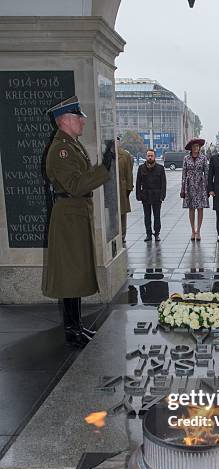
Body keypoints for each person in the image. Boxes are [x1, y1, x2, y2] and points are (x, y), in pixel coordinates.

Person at [44, 96, 114, 348]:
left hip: (75, 215)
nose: (83, 122)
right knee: (69, 275)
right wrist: (103, 168)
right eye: (79, 118)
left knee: (74, 274)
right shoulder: (61, 150)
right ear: (65, 120)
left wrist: (100, 169)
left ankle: (76, 326)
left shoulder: (72, 145)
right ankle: (71, 330)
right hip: (69, 218)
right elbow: (75, 185)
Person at [180, 138, 208, 241]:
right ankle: (193, 231)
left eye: (198, 146)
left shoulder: (203, 158)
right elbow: (184, 173)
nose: (196, 148)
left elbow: (207, 172)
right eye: (194, 146)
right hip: (189, 184)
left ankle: (199, 231)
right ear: (191, 148)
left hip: (201, 185)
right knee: (191, 208)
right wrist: (183, 188)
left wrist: (207, 187)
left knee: (200, 208)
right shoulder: (186, 158)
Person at [136, 149, 166, 242]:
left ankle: (157, 234)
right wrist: (138, 194)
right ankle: (148, 234)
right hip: (146, 195)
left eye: (151, 156)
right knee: (147, 216)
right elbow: (138, 183)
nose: (150, 157)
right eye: (148, 155)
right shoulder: (141, 168)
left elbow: (163, 183)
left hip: (157, 196)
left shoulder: (160, 168)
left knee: (157, 216)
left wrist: (162, 195)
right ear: (146, 156)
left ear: (154, 156)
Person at [117, 136, 134, 244]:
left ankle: (122, 236)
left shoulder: (125, 155)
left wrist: (129, 188)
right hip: (111, 189)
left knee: (122, 213)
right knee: (112, 214)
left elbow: (129, 173)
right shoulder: (105, 154)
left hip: (122, 188)